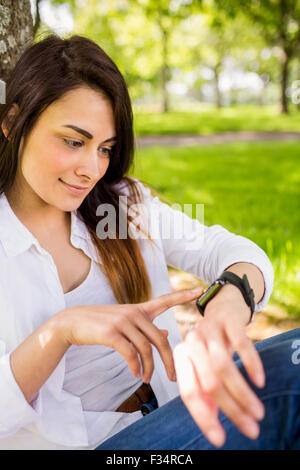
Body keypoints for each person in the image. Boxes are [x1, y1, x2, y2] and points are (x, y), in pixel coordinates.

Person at [0, 33, 298, 451]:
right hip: (98, 444)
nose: (91, 169)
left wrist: (230, 301)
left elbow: (232, 252)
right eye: (73, 141)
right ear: (13, 122)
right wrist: (63, 330)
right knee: (293, 381)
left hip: (174, 405)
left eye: (105, 148)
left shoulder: (118, 208)